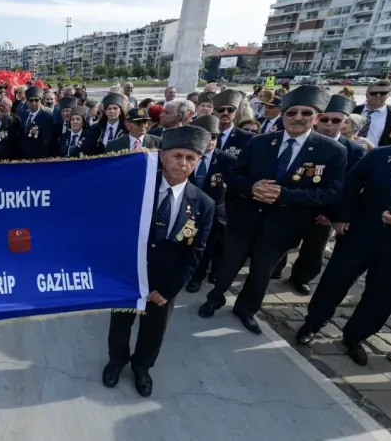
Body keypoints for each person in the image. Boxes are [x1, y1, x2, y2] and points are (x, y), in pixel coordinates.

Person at [198, 86, 347, 334]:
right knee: (228, 265)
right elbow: (234, 174)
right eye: (292, 112)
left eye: (305, 112)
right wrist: (252, 187)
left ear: (317, 117)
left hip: (284, 225)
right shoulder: (261, 142)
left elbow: (331, 192)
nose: (297, 117)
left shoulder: (331, 151)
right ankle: (214, 298)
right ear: (284, 115)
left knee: (261, 272)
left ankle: (246, 310)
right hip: (245, 219)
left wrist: (284, 195)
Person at [103, 125, 215, 397]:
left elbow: (196, 252)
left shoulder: (203, 203)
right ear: (163, 155)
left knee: (154, 330)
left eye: (191, 158)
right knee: (120, 324)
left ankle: (142, 368)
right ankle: (117, 361)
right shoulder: (138, 185)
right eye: (177, 155)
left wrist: (169, 290)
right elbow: (114, 227)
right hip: (129, 275)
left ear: (198, 162)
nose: (183, 163)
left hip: (164, 281)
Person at [295, 142, 391, 366]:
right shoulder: (382, 154)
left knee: (382, 295)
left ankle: (354, 337)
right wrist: (341, 216)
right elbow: (349, 185)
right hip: (359, 234)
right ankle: (313, 323)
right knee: (335, 281)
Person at [280, 94, 366, 294]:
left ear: (345, 122)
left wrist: (334, 214)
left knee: (314, 248)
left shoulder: (353, 151)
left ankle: (301, 277)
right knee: (283, 239)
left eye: (336, 120)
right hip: (292, 201)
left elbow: (350, 187)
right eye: (325, 119)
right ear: (317, 118)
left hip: (325, 210)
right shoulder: (299, 139)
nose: (328, 125)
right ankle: (276, 268)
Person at [185, 115, 236, 292]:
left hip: (214, 214)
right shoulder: (186, 155)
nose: (210, 141)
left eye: (214, 136)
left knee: (206, 247)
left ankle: (197, 277)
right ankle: (184, 272)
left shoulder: (227, 161)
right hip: (187, 211)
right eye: (206, 136)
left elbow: (234, 190)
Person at [353, 79, 391, 147]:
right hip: (351, 154)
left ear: (388, 95)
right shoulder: (353, 110)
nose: (378, 96)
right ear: (366, 95)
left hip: (380, 155)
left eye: (383, 93)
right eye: (373, 93)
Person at [211, 89, 254, 157]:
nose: (225, 113)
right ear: (213, 111)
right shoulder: (206, 134)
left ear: (235, 112)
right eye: (221, 110)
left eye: (230, 110)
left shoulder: (248, 138)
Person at [17, 85, 54, 159]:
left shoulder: (47, 117)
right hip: (23, 157)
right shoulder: (23, 115)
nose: (34, 103)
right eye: (31, 100)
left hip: (38, 158)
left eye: (36, 100)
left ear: (40, 101)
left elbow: (47, 141)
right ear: (27, 102)